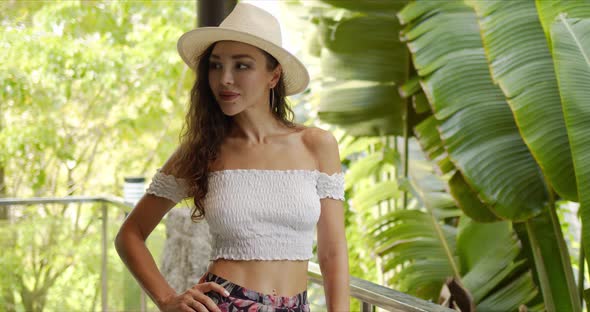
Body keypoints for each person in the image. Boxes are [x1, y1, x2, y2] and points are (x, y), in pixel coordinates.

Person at [114, 3, 350, 312]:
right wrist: (168, 299)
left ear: (273, 75)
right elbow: (130, 235)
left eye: (241, 66)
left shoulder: (317, 145)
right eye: (215, 65)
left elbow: (332, 253)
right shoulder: (202, 151)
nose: (224, 78)